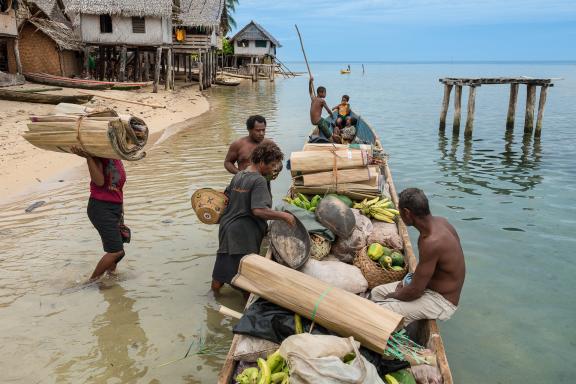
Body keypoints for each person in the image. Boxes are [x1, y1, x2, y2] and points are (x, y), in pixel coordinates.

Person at [370, 188, 465, 325]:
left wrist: (393, 295)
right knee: (376, 293)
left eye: (400, 211)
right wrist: (402, 291)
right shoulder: (440, 222)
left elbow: (415, 291)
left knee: (382, 310)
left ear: (407, 213)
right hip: (427, 287)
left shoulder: (432, 242)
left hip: (441, 300)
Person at [213, 141, 295, 296]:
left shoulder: (240, 174)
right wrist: (284, 216)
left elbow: (225, 197)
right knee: (247, 273)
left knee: (222, 265)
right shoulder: (259, 180)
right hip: (243, 233)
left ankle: (213, 297)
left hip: (226, 227)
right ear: (262, 162)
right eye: (271, 165)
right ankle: (245, 305)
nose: (273, 169)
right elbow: (258, 210)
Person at [71, 147, 127, 281]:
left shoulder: (115, 157)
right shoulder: (99, 154)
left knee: (119, 252)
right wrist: (89, 157)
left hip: (115, 209)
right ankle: (90, 283)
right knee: (116, 251)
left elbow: (118, 189)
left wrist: (121, 216)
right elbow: (99, 181)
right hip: (101, 207)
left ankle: (111, 277)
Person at [309, 77, 336, 141]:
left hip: (313, 121)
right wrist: (332, 115)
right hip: (318, 121)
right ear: (320, 93)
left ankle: (320, 131)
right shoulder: (322, 101)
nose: (325, 94)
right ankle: (330, 140)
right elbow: (328, 110)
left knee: (328, 123)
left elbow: (310, 91)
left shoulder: (313, 98)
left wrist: (310, 82)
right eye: (325, 92)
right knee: (330, 136)